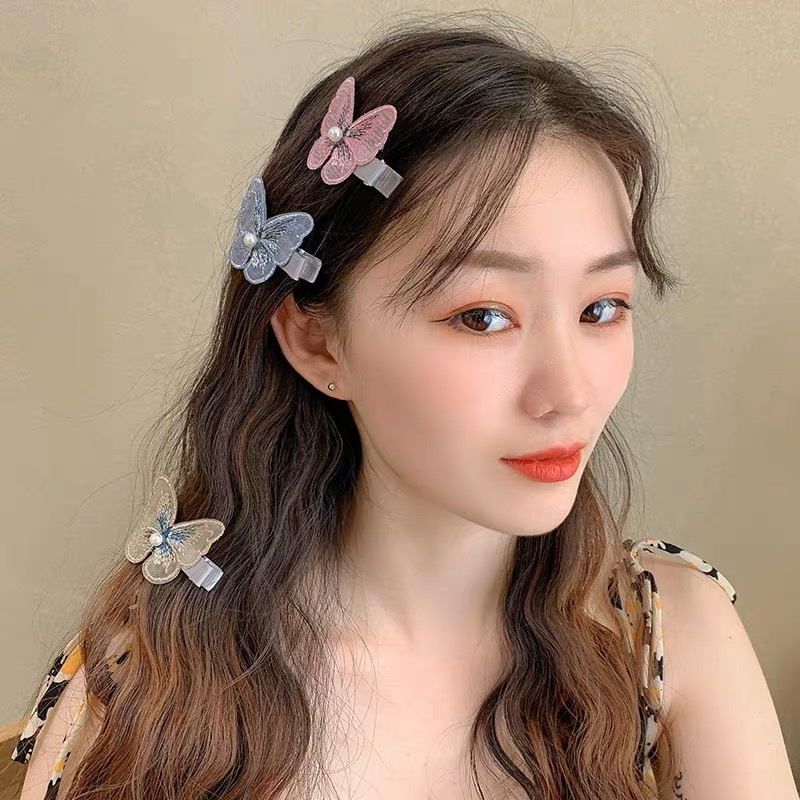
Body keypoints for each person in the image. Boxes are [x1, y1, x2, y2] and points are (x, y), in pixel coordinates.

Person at [11, 13, 798, 800]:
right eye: (483, 316)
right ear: (319, 343)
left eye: (602, 308)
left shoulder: (667, 633)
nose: (569, 393)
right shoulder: (151, 678)